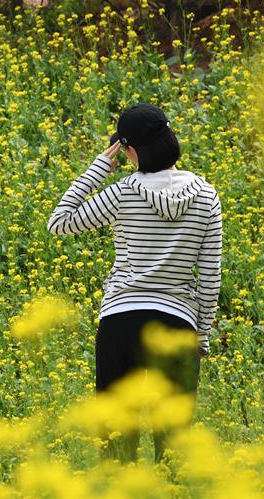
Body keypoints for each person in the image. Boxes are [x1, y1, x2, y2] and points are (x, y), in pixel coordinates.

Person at [47, 102, 222, 463]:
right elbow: (209, 276)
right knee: (174, 449)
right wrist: (201, 336)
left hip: (121, 323)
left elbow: (59, 222)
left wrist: (100, 167)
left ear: (128, 150)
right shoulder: (206, 196)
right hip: (177, 324)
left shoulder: (123, 192)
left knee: (115, 443)